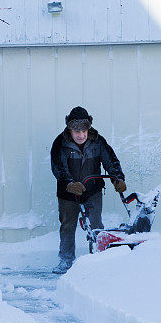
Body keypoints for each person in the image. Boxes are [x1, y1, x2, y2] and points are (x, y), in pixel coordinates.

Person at [50, 106, 126, 274]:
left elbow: (111, 161)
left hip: (92, 191)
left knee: (96, 224)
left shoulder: (98, 141)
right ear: (70, 129)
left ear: (88, 128)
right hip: (68, 194)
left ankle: (99, 259)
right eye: (77, 131)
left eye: (84, 130)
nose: (81, 135)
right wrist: (69, 184)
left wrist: (118, 178)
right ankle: (66, 261)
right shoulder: (60, 143)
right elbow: (58, 167)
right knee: (68, 226)